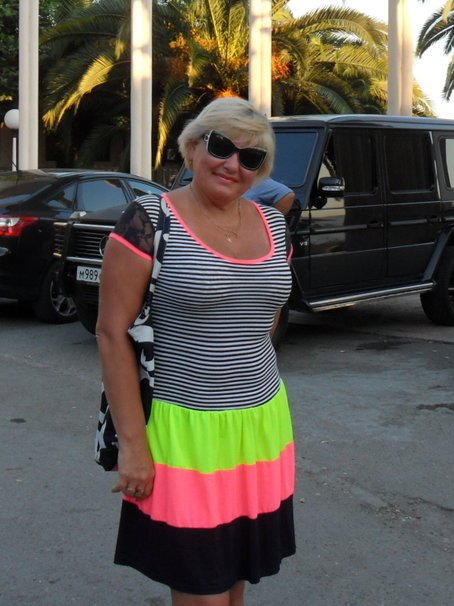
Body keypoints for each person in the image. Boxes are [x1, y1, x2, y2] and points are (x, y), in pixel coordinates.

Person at [95, 97, 295, 605]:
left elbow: (265, 316)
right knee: (202, 589)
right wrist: (134, 445)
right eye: (221, 146)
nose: (232, 164)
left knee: (235, 583)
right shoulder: (149, 220)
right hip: (185, 429)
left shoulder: (274, 225)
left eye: (251, 158)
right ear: (192, 147)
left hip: (260, 424)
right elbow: (112, 333)